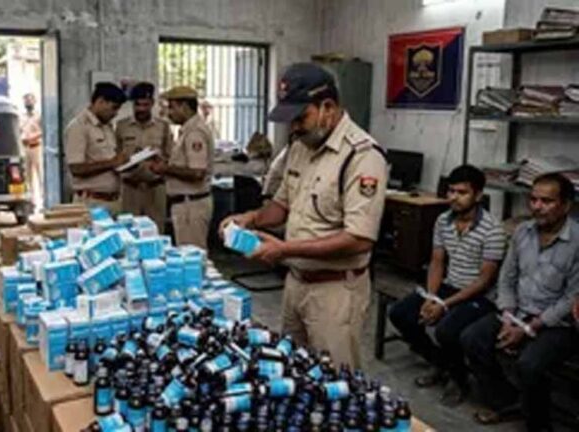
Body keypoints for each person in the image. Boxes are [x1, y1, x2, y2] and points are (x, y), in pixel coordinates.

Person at [219, 63, 387, 368]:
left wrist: (284, 249)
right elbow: (282, 206)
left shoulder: (362, 157)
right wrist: (250, 219)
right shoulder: (300, 147)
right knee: (291, 368)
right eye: (290, 120)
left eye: (300, 118)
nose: (294, 127)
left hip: (335, 291)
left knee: (335, 378)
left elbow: (359, 239)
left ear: (328, 108)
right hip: (296, 283)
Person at [460, 173, 579, 431]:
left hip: (557, 323)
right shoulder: (523, 232)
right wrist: (507, 315)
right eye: (533, 199)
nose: (537, 206)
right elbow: (507, 277)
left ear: (566, 205)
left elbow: (572, 298)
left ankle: (538, 424)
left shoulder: (577, 242)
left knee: (529, 365)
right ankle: (507, 401)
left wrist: (529, 328)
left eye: (546, 201)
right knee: (472, 339)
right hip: (517, 312)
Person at [388, 165, 506, 406]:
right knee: (401, 314)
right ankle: (441, 363)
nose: (453, 197)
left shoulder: (493, 230)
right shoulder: (443, 220)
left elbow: (484, 280)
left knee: (447, 330)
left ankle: (459, 379)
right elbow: (437, 262)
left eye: (462, 192)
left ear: (478, 195)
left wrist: (444, 305)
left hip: (479, 296)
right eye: (451, 191)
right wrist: (432, 298)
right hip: (449, 286)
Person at [150, 86, 214, 249]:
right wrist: (165, 164)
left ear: (184, 106)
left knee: (192, 255)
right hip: (186, 204)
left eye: (172, 107)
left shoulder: (195, 133)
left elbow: (197, 172)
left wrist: (165, 169)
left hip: (191, 205)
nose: (169, 113)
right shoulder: (187, 130)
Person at [116, 82, 173, 230]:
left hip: (155, 188)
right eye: (137, 105)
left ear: (152, 104)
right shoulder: (122, 126)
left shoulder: (163, 126)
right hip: (130, 189)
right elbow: (116, 156)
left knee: (155, 231)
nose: (141, 109)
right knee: (128, 232)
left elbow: (170, 156)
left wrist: (159, 161)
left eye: (145, 105)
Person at [65, 82, 128, 214]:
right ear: (100, 102)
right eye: (113, 108)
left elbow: (111, 160)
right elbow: (76, 168)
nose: (115, 113)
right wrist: (111, 163)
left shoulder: (107, 126)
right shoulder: (79, 127)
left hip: (113, 201)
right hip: (91, 202)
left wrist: (124, 163)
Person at [20, 93, 43, 209]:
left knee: (40, 175)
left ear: (35, 101)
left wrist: (34, 136)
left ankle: (44, 200)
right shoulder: (21, 116)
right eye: (26, 100)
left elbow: (44, 130)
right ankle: (31, 201)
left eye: (30, 100)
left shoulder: (39, 116)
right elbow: (19, 130)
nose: (28, 102)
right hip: (25, 148)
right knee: (27, 176)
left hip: (36, 147)